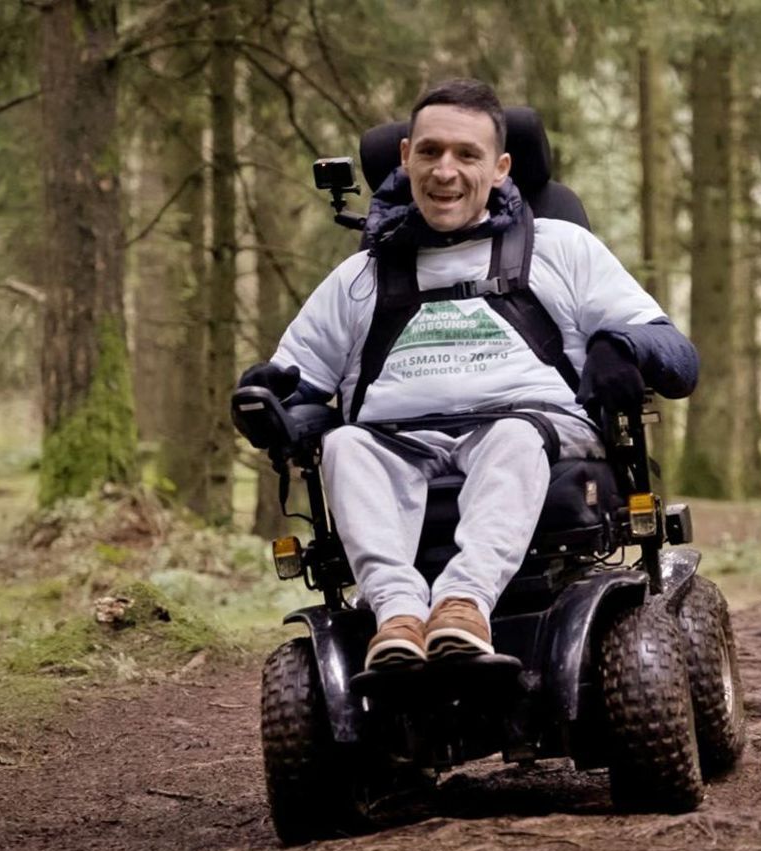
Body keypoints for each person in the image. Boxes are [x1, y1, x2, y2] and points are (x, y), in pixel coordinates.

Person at [239, 78, 698, 670]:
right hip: (394, 442)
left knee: (511, 434)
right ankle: (398, 614)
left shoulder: (562, 248)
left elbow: (679, 358)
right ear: (405, 158)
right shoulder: (360, 277)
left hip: (534, 433)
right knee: (345, 443)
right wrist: (265, 399)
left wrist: (620, 345)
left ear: (502, 168)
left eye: (466, 154)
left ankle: (463, 606)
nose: (444, 171)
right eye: (429, 152)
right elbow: (294, 384)